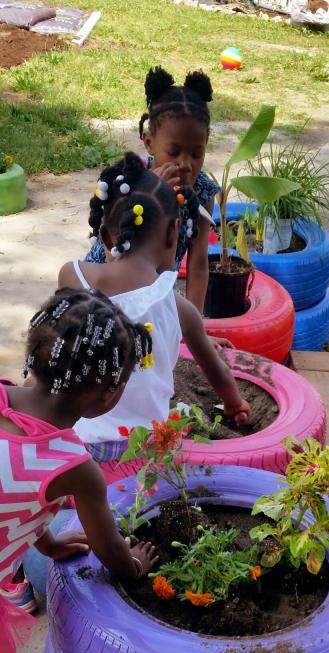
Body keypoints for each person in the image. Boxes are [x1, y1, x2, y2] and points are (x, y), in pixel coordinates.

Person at [0, 288, 159, 653]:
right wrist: (133, 565)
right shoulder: (72, 466)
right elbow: (108, 550)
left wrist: (47, 544)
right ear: (108, 393)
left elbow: (10, 491)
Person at [59, 150, 249, 475]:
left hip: (79, 443)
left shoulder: (73, 276)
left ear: (106, 235)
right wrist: (234, 403)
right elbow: (216, 371)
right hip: (147, 446)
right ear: (174, 233)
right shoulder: (181, 309)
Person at [86, 66, 219, 313]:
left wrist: (194, 322)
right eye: (174, 152)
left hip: (155, 290)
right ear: (149, 142)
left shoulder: (202, 193)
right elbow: (114, 253)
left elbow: (199, 264)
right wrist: (151, 196)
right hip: (108, 288)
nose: (186, 164)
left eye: (196, 154)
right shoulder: (130, 181)